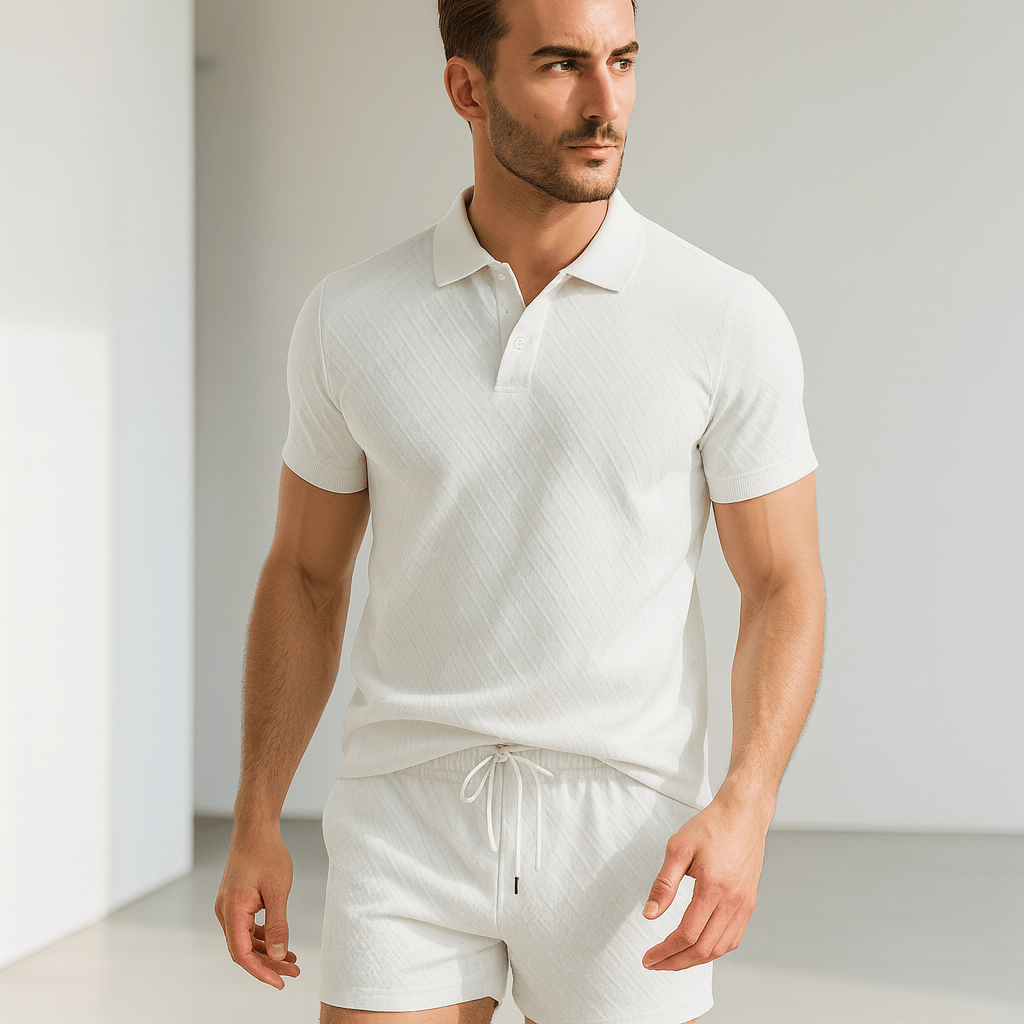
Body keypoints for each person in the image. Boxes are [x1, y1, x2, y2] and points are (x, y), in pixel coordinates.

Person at [214, 0, 826, 1021]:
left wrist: (748, 802)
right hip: (404, 818)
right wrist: (254, 814)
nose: (605, 102)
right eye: (559, 66)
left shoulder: (722, 316)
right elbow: (305, 576)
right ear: (467, 88)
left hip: (625, 832)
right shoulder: (351, 318)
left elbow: (782, 581)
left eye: (622, 60)